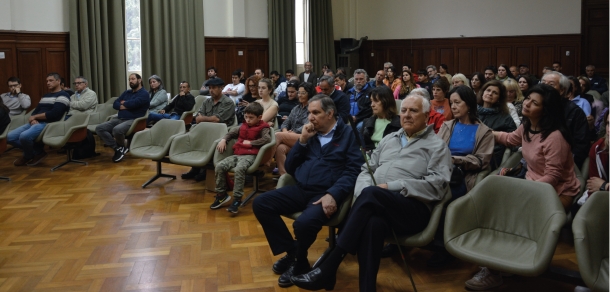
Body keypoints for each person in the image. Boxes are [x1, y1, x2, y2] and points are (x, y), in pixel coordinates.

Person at [290, 94, 452, 292]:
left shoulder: (437, 146)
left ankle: (330, 265)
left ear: (427, 115)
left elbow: (437, 185)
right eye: (404, 110)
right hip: (377, 204)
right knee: (373, 224)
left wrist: (390, 187)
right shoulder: (389, 140)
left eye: (413, 111)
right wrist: (365, 192)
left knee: (373, 194)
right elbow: (367, 168)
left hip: (413, 209)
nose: (407, 115)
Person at [466, 84, 581, 291]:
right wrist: (486, 132)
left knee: (509, 216)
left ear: (546, 110)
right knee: (498, 210)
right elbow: (510, 139)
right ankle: (501, 261)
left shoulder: (555, 136)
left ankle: (495, 270)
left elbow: (553, 177)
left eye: (534, 102)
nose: (526, 103)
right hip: (533, 185)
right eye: (527, 98)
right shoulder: (529, 126)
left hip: (557, 193)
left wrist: (523, 194)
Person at [252, 95, 363, 288]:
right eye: (309, 112)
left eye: (315, 113)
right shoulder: (311, 134)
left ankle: (299, 263)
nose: (310, 117)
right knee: (261, 203)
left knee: (303, 224)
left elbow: (354, 170)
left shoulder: (347, 134)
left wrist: (334, 194)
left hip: (326, 193)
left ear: (330, 114)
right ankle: (294, 253)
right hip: (301, 188)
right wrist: (302, 141)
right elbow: (292, 167)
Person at [213, 102, 271, 214]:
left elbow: (267, 139)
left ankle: (237, 199)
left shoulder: (263, 127)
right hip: (238, 154)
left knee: (240, 169)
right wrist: (224, 140)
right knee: (220, 166)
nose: (248, 120)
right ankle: (221, 195)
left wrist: (251, 143)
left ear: (259, 117)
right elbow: (230, 133)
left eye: (251, 118)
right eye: (246, 117)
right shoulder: (242, 126)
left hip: (251, 156)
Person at [8, 73, 70, 166]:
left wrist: (35, 117)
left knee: (24, 136)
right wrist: (33, 119)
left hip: (48, 123)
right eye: (47, 81)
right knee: (10, 137)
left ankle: (27, 156)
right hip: (36, 122)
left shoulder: (64, 95)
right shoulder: (46, 95)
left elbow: (54, 114)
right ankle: (37, 152)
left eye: (51, 80)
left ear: (58, 81)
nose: (48, 83)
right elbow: (35, 111)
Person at [182, 78, 237, 181]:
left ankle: (205, 170)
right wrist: (206, 119)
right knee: (193, 136)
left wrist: (204, 119)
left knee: (210, 139)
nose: (211, 90)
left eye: (214, 88)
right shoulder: (206, 101)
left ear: (221, 88)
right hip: (205, 130)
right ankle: (195, 168)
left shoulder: (228, 102)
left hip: (221, 132)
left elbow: (217, 119)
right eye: (210, 88)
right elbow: (198, 119)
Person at [96, 73, 149, 163]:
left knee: (117, 130)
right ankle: (118, 148)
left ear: (139, 80)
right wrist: (125, 104)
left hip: (134, 120)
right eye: (129, 79)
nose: (130, 81)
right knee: (99, 128)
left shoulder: (144, 93)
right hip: (120, 118)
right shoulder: (126, 92)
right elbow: (115, 104)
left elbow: (134, 104)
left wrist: (124, 103)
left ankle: (120, 148)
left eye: (133, 79)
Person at [541, 71, 590, 168]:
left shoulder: (575, 112)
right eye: (542, 83)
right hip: (533, 160)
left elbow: (581, 146)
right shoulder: (534, 107)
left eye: (551, 85)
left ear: (562, 90)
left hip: (561, 164)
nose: (544, 88)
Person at [272, 82, 316, 176]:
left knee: (278, 135)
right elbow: (286, 122)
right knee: (280, 148)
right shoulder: (296, 108)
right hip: (292, 136)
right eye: (299, 92)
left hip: (306, 137)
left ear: (310, 94)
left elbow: (308, 125)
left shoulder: (312, 108)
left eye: (303, 93)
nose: (299, 95)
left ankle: (267, 160)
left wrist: (292, 132)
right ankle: (284, 177)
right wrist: (285, 131)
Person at [477, 80, 517, 169]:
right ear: (483, 92)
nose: (490, 94)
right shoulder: (471, 112)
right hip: (470, 150)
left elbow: (514, 140)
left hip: (491, 155)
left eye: (495, 93)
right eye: (488, 90)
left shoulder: (505, 117)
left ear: (499, 98)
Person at [360, 86, 401, 152]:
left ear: (386, 101)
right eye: (371, 101)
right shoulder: (367, 122)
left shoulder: (399, 123)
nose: (372, 105)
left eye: (376, 101)